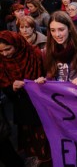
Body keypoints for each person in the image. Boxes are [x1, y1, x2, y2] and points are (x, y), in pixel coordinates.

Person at [0, 31, 51, 164]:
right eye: (1, 51)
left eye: (8, 49)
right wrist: (12, 87)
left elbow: (49, 76)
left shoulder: (34, 54)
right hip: (21, 106)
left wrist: (42, 80)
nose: (5, 54)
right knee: (30, 138)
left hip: (40, 104)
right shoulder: (2, 62)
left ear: (17, 45)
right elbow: (4, 86)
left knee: (45, 137)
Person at [35, 11, 77, 85]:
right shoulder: (47, 50)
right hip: (56, 93)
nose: (57, 34)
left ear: (69, 28)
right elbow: (50, 74)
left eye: (61, 29)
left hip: (76, 92)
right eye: (53, 30)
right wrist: (44, 80)